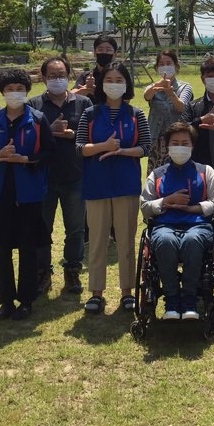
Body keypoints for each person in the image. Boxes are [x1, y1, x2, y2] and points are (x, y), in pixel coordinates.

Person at [0, 70, 56, 321]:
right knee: (1, 249)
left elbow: (49, 153)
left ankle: (26, 300)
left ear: (27, 91)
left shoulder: (38, 119)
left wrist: (28, 159)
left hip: (29, 193)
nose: (14, 93)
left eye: (19, 88)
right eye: (9, 88)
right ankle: (6, 301)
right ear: (2, 92)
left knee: (27, 248)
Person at [77, 61, 151, 314]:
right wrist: (103, 147)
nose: (114, 84)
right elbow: (80, 148)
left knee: (125, 241)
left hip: (125, 185)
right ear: (101, 84)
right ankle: (96, 293)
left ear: (127, 84)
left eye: (119, 80)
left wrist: (121, 151)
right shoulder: (90, 114)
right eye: (109, 79)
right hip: (96, 185)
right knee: (97, 242)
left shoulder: (136, 114)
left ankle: (127, 292)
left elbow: (146, 147)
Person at [140, 122, 214, 319]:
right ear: (168, 146)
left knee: (192, 241)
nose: (180, 147)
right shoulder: (157, 174)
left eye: (185, 143)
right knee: (165, 241)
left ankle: (189, 301)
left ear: (192, 146)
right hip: (164, 225)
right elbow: (145, 206)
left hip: (198, 225)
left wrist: (191, 208)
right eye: (175, 143)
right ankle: (171, 301)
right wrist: (166, 201)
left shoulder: (206, 172)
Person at [29, 57, 90, 296]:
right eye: (52, 75)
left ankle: (72, 269)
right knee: (41, 227)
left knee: (75, 228)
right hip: (42, 176)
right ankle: (42, 271)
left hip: (75, 175)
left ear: (69, 75)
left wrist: (74, 134)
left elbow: (90, 137)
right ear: (44, 77)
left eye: (62, 74)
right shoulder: (33, 105)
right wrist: (49, 132)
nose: (57, 79)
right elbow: (27, 140)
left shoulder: (83, 103)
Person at [181, 57, 214, 227]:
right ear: (203, 79)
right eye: (210, 76)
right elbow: (181, 130)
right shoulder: (192, 106)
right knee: (202, 216)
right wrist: (201, 120)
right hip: (200, 172)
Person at [143, 49, 194, 170]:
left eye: (169, 63)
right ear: (157, 68)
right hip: (156, 141)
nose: (165, 66)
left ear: (176, 66)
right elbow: (146, 96)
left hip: (177, 140)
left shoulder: (185, 87)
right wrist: (157, 86)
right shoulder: (153, 87)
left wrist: (171, 93)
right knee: (155, 175)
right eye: (161, 64)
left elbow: (182, 107)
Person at [73, 34, 118, 98]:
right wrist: (83, 90)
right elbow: (70, 95)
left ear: (115, 54)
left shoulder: (121, 76)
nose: (104, 52)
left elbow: (127, 98)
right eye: (100, 50)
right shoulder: (87, 76)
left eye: (108, 50)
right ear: (94, 53)